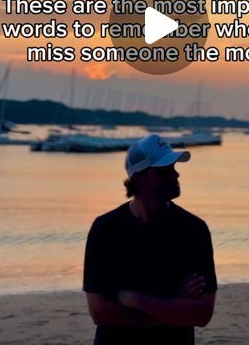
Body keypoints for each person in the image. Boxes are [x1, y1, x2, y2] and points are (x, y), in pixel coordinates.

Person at [83, 133, 217, 344]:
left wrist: (136, 300)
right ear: (140, 178)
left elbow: (202, 313)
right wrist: (174, 305)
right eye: (165, 171)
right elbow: (100, 313)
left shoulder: (193, 230)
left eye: (174, 168)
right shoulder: (106, 230)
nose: (176, 175)